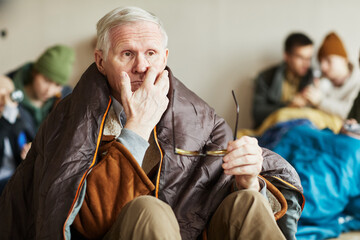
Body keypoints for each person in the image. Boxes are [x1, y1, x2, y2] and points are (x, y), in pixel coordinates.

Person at [0, 7, 304, 240]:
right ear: (101, 61)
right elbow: (89, 222)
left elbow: (219, 196)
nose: (142, 66)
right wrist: (137, 128)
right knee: (148, 208)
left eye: (151, 53)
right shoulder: (69, 118)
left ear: (165, 57)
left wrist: (249, 181)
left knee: (248, 202)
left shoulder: (201, 116)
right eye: (127, 54)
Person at [6, 44, 75, 141]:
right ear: (35, 72)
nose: (50, 91)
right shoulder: (6, 96)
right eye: (46, 80)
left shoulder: (67, 99)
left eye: (57, 85)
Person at [252, 32, 314, 128]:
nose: (306, 64)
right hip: (271, 129)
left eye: (309, 58)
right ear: (286, 56)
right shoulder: (266, 77)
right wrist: (288, 106)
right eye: (301, 57)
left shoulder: (313, 77)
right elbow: (257, 113)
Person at [303, 32, 360, 120]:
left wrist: (321, 101)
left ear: (344, 60)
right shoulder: (321, 81)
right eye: (320, 62)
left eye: (328, 60)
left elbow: (350, 112)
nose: (323, 67)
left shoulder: (357, 81)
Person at [0, 75, 27, 194]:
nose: (4, 100)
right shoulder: (8, 119)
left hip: (16, 174)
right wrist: (6, 118)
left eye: (8, 95)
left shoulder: (17, 119)